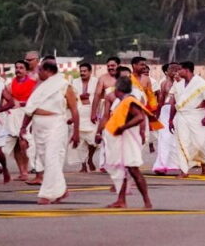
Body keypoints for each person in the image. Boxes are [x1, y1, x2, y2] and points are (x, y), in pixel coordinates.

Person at [20, 60, 80, 204]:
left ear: (48, 71)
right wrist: (23, 127)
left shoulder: (64, 85)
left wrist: (76, 132)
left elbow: (74, 110)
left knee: (52, 158)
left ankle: (47, 194)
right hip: (38, 126)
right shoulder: (39, 87)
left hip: (56, 125)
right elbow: (30, 109)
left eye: (40, 70)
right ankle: (62, 190)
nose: (38, 73)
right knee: (45, 159)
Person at [103, 76, 161, 208]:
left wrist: (122, 128)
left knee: (134, 170)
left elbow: (140, 117)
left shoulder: (129, 100)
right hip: (122, 141)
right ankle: (121, 200)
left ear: (119, 89)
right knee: (122, 170)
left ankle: (147, 202)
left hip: (127, 141)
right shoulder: (124, 101)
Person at [168, 61, 205, 178]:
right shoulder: (177, 84)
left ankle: (204, 163)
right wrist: (170, 119)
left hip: (196, 116)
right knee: (181, 142)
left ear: (186, 70)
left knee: (199, 143)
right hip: (181, 116)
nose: (178, 72)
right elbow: (173, 103)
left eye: (180, 69)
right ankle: (184, 170)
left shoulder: (200, 83)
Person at [69, 62, 99, 172]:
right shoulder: (74, 82)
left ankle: (90, 159)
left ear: (90, 72)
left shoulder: (96, 82)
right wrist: (80, 96)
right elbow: (70, 97)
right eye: (81, 71)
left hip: (92, 113)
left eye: (85, 71)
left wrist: (96, 112)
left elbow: (100, 96)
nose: (82, 73)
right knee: (80, 141)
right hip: (79, 113)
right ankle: (83, 164)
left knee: (94, 140)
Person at [153, 62, 181, 175]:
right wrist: (157, 115)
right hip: (165, 112)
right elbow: (160, 101)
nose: (174, 71)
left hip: (178, 112)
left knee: (176, 139)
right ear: (167, 71)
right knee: (164, 138)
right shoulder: (164, 83)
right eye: (171, 69)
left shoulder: (182, 83)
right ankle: (162, 165)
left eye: (176, 69)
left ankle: (176, 164)